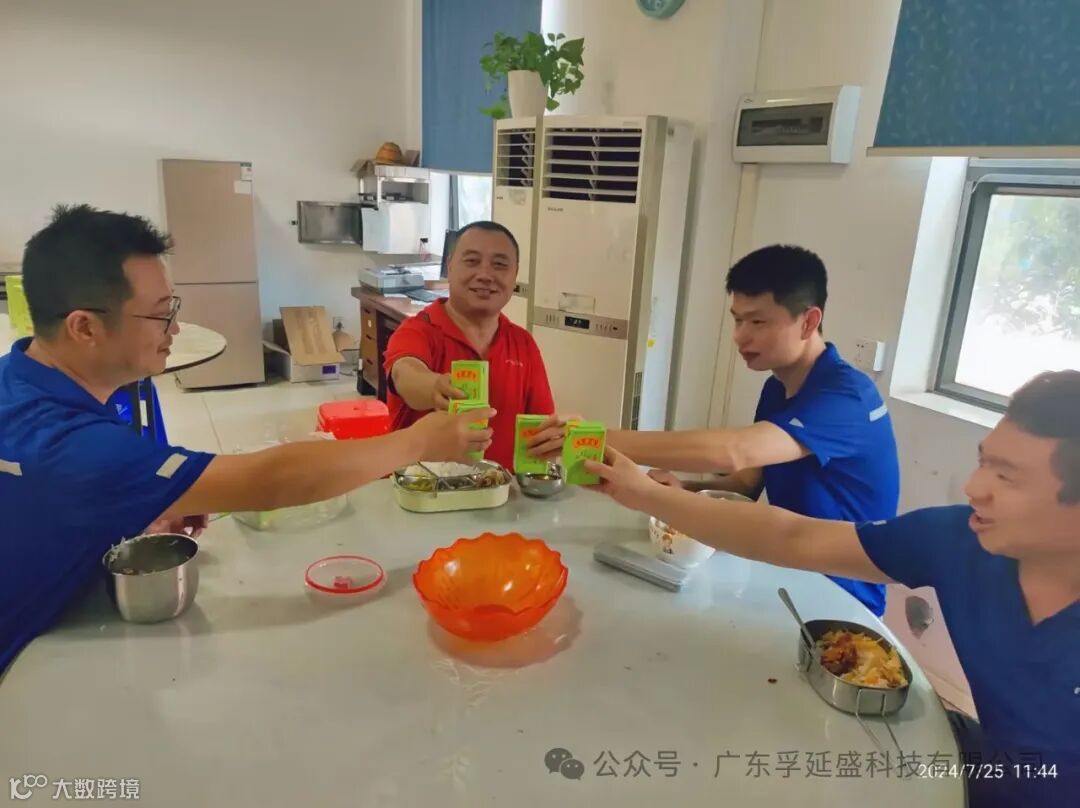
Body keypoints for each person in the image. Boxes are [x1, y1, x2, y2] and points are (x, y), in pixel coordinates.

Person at [0, 205, 492, 672]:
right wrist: (419, 443)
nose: (175, 328)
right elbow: (268, 480)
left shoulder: (17, 380)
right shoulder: (64, 446)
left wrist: (137, 500)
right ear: (84, 327)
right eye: (160, 314)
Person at [589, 371, 1080, 806]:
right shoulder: (961, 540)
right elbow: (792, 537)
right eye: (984, 462)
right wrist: (645, 494)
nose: (974, 487)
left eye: (1007, 477)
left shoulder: (845, 394)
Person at [606, 245, 899, 616]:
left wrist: (600, 439)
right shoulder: (777, 387)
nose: (740, 337)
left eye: (758, 322)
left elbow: (734, 452)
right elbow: (746, 482)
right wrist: (682, 490)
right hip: (788, 579)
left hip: (842, 602)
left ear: (809, 322)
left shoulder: (847, 396)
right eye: (737, 320)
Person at [384, 220, 570, 469]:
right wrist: (434, 387)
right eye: (472, 261)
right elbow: (405, 373)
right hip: (423, 488)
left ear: (514, 275)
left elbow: (541, 429)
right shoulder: (418, 331)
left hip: (502, 488)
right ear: (450, 266)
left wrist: (560, 440)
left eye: (499, 265)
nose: (484, 275)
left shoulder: (523, 344)